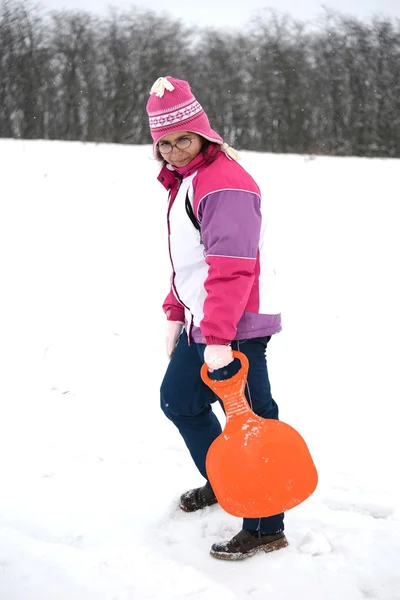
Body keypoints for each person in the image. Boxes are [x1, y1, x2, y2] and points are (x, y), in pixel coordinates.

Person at [146, 76, 288, 561]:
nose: (174, 150)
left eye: (182, 138)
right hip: (204, 321)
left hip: (235, 326)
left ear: (204, 133)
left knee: (249, 422)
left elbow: (231, 268)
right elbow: (192, 259)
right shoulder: (189, 180)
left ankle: (266, 525)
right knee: (181, 401)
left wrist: (219, 336)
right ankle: (226, 480)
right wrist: (175, 311)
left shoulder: (223, 183)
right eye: (163, 143)